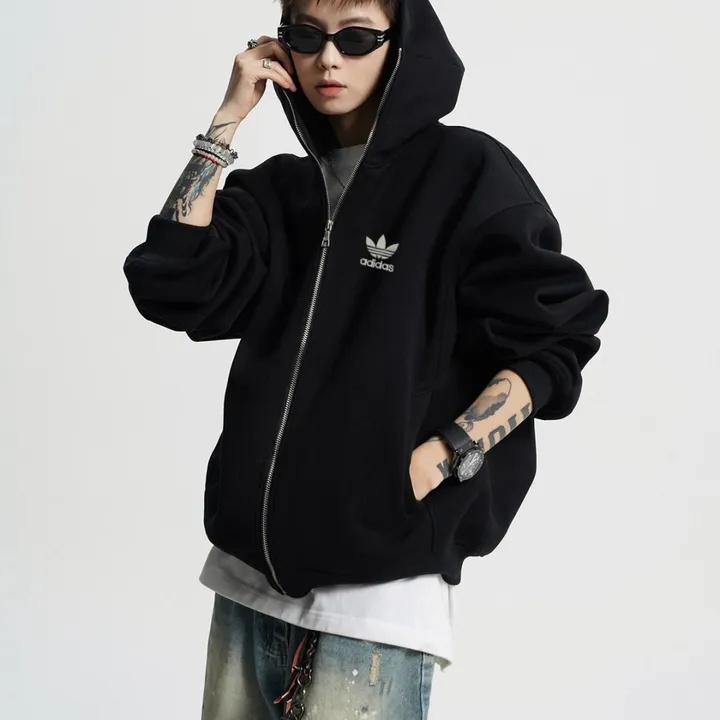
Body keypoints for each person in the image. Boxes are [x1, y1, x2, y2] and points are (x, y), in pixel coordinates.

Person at [122, 0, 610, 717]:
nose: (329, 59)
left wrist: (444, 455)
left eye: (355, 38)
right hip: (244, 584)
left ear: (399, 41)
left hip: (377, 606)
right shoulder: (282, 192)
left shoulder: (466, 175)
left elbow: (555, 338)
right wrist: (225, 122)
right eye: (306, 36)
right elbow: (172, 283)